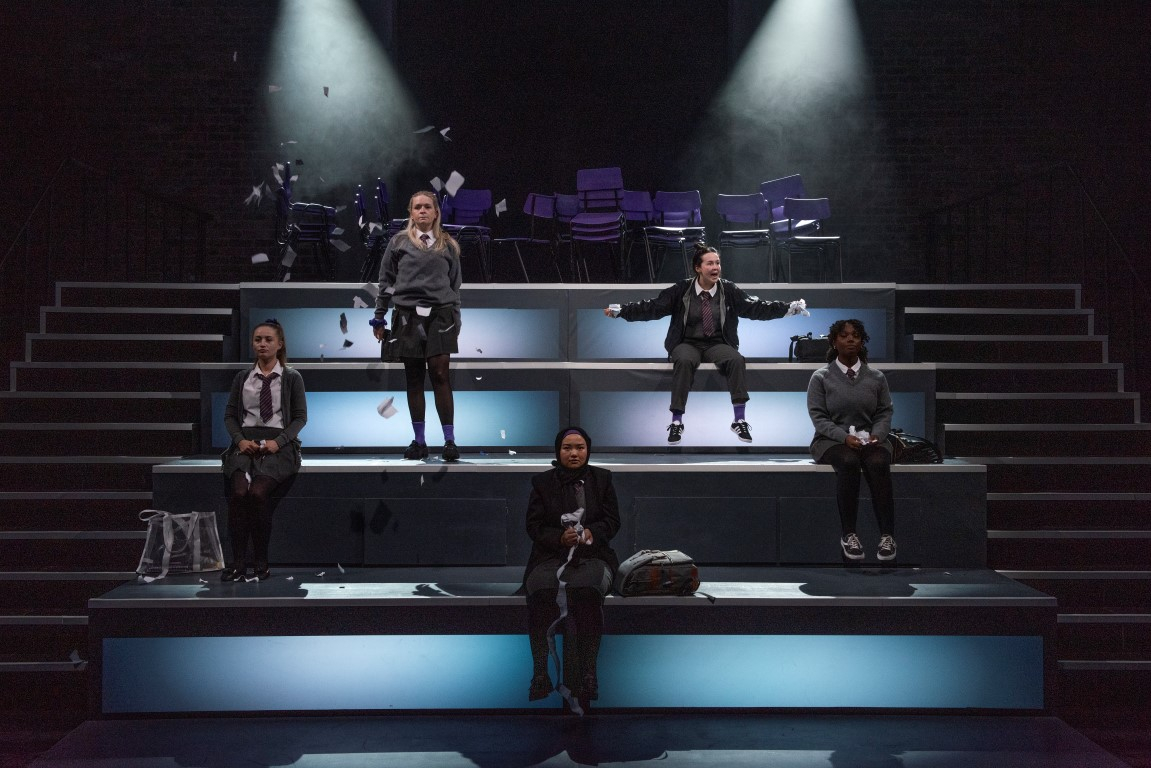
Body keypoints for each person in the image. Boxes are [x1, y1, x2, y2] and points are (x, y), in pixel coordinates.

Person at [604, 242, 807, 445]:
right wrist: (622, 310)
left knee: (736, 359)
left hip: (717, 343)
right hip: (686, 343)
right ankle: (676, 422)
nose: (715, 267)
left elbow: (755, 308)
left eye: (717, 263)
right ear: (698, 268)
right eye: (710, 263)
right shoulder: (681, 289)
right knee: (683, 360)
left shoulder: (728, 289)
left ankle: (739, 419)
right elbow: (652, 307)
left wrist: (789, 308)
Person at [521, 427, 620, 712]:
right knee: (540, 592)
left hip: (594, 557)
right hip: (549, 558)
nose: (574, 453)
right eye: (567, 448)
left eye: (579, 447)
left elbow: (612, 522)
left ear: (588, 450)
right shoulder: (542, 483)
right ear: (557, 451)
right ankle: (540, 673)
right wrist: (558, 538)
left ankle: (588, 674)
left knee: (587, 593)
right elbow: (533, 526)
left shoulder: (603, 479)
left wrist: (590, 533)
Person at [371, 191, 463, 461]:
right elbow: (385, 281)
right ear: (410, 212)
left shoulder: (448, 245)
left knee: (440, 375)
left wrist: (456, 319)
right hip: (407, 316)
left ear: (436, 212)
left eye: (427, 207)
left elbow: (455, 286)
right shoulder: (398, 242)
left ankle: (449, 441)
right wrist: (379, 316)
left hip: (440, 316)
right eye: (417, 207)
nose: (422, 211)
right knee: (414, 378)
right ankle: (419, 441)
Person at [221, 319, 308, 581]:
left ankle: (261, 560)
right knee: (238, 493)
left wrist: (278, 442)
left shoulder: (292, 377)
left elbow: (300, 418)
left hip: (278, 446)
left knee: (258, 494)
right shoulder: (242, 378)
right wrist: (239, 440)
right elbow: (230, 416)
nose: (262, 343)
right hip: (245, 444)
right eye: (258, 339)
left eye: (268, 339)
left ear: (280, 344)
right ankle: (238, 563)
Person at [806, 318, 897, 562]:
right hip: (830, 441)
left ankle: (887, 536)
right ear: (834, 341)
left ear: (862, 341)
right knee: (848, 462)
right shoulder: (821, 377)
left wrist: (878, 433)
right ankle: (849, 535)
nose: (850, 339)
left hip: (872, 440)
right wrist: (844, 437)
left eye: (855, 335)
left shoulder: (876, 377)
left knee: (878, 463)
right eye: (844, 335)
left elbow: (885, 412)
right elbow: (819, 417)